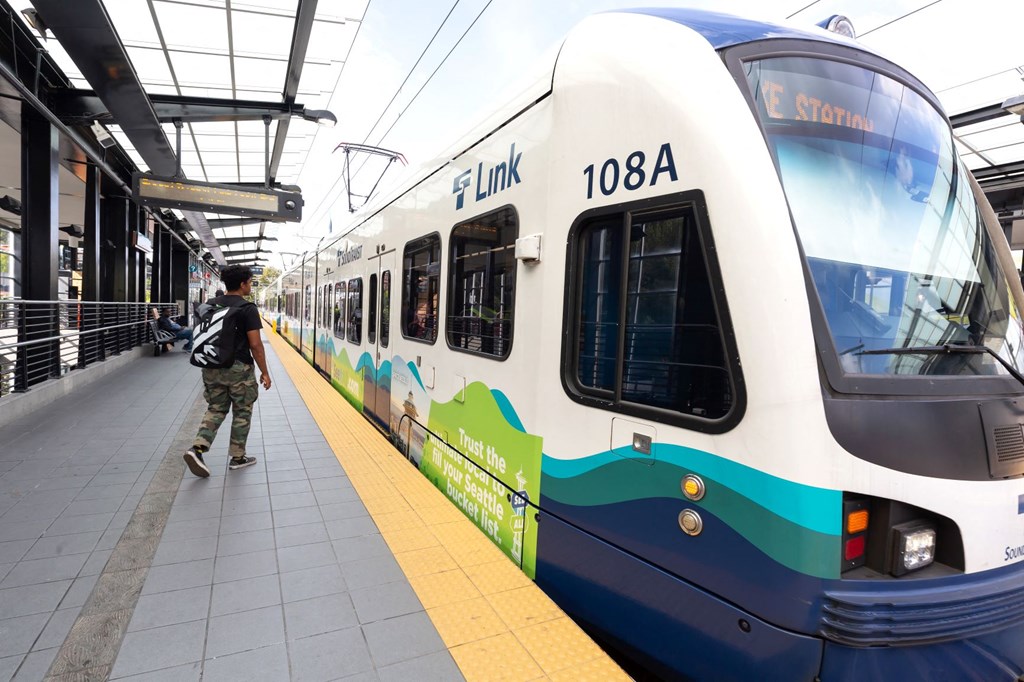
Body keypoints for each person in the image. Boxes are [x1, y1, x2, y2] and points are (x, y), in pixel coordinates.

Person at [183, 265, 272, 477]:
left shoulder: (210, 305)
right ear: (242, 284)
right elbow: (256, 345)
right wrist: (265, 372)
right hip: (238, 368)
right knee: (242, 411)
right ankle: (238, 457)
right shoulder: (247, 308)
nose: (250, 286)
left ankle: (197, 449)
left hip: (212, 366)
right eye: (250, 282)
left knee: (216, 408)